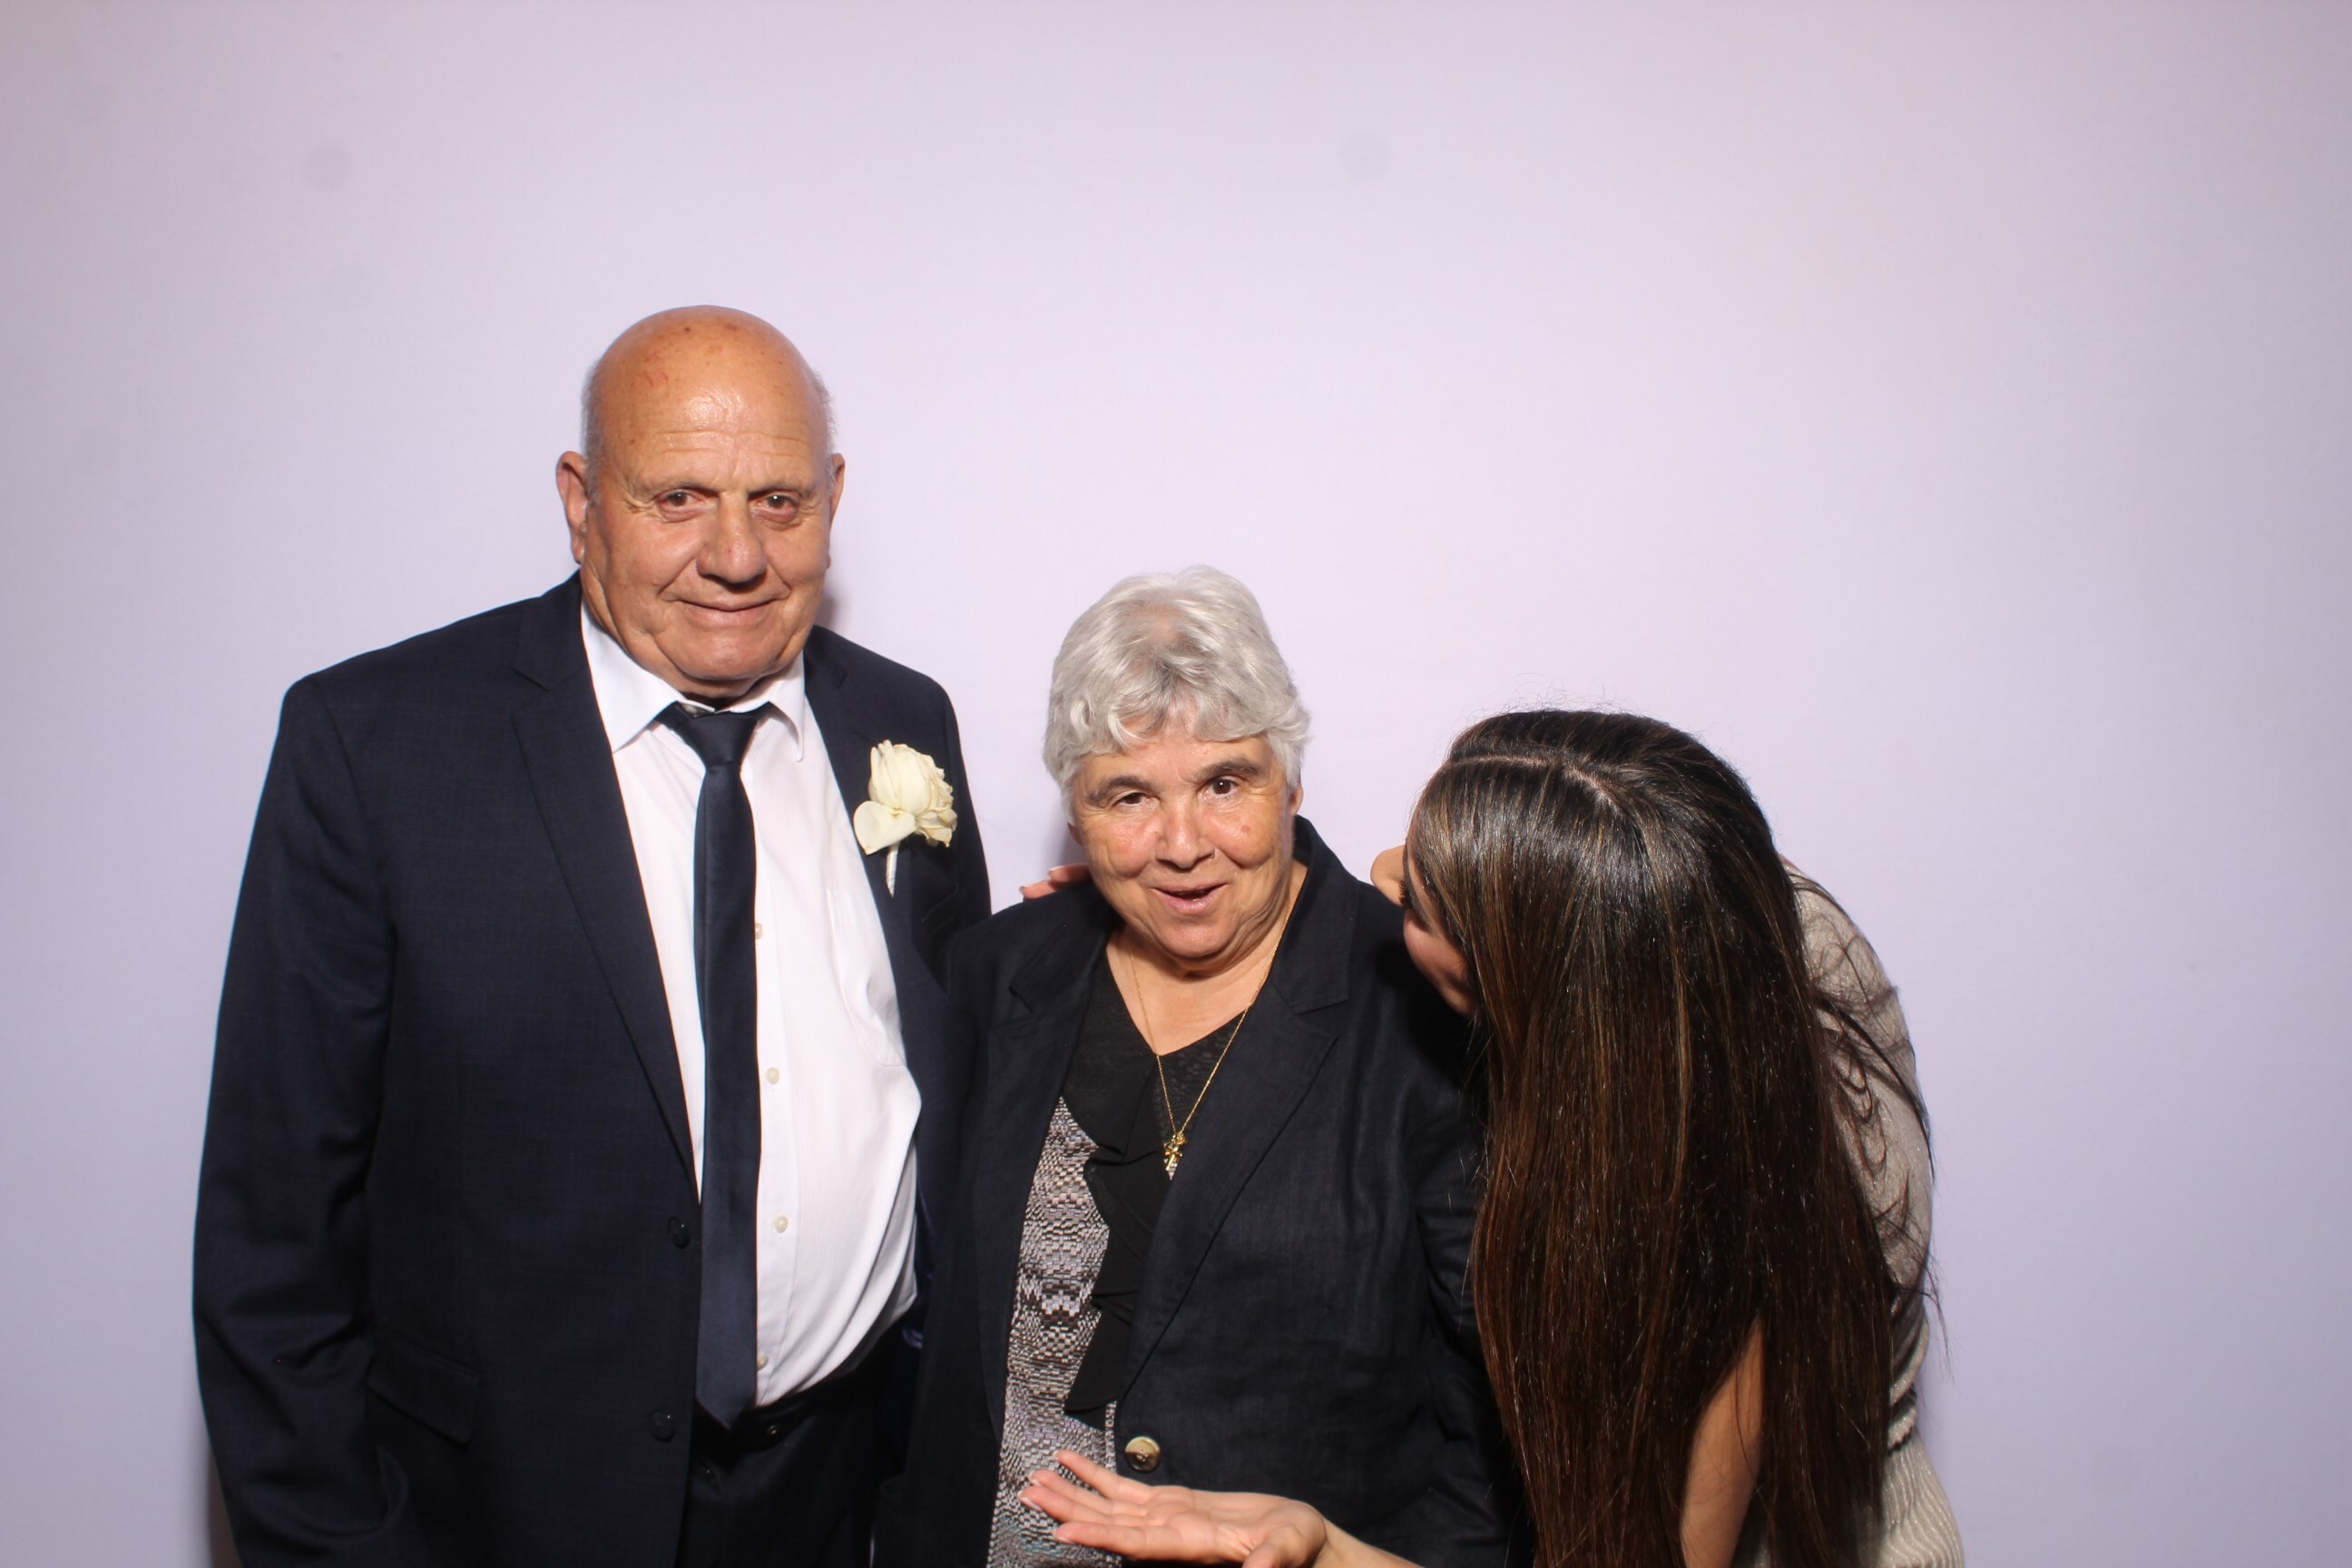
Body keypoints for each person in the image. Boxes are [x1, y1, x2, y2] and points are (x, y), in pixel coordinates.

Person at [193, 307, 992, 1568]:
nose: (737, 555)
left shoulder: (902, 722)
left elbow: (955, 1066)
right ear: (581, 503)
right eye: (679, 498)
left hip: (837, 1499)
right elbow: (274, 1242)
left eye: (779, 502)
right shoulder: (378, 748)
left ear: (834, 500)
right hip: (502, 1515)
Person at [1024, 710, 1962, 1568]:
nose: (1382, 873)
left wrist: (1328, 1554)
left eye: (1423, 905)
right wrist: (1156, 895)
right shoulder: (1673, 901)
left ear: (1526, 996)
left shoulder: (1738, 1206)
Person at [875, 569, 1512, 1568]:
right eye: (1129, 796)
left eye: (1224, 784)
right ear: (1076, 813)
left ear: (1290, 782)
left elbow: (1500, 1409)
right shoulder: (996, 976)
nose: (1181, 846)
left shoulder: (1424, 1009)